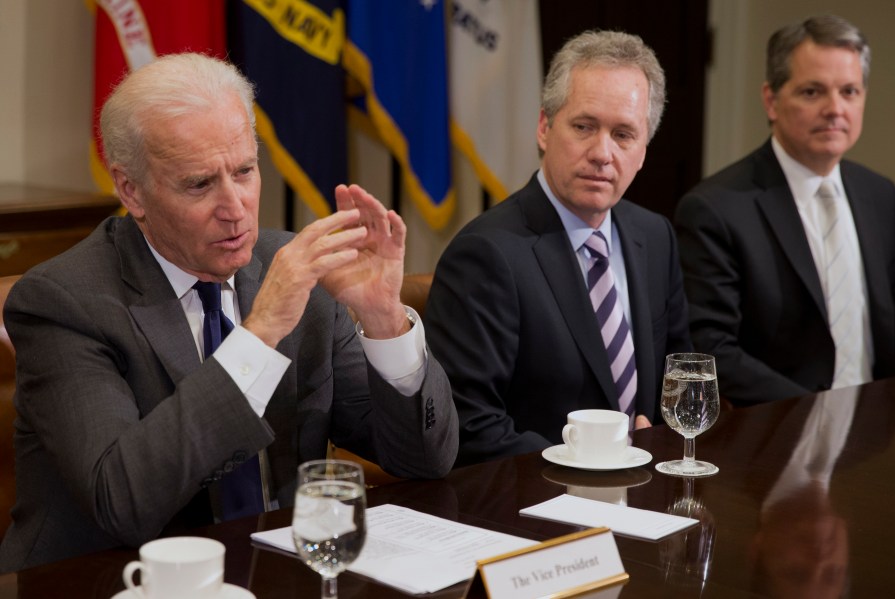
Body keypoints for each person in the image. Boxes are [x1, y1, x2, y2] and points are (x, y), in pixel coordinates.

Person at [0, 52, 458, 572]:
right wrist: (259, 334)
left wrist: (384, 322)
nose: (235, 207)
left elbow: (423, 460)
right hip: (103, 581)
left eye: (244, 171)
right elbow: (122, 504)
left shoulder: (299, 272)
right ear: (132, 190)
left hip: (276, 572)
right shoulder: (63, 301)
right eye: (200, 184)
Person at [424, 30, 692, 466]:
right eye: (585, 126)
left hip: (646, 497)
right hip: (534, 508)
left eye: (624, 134)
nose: (602, 153)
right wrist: (592, 462)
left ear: (643, 150)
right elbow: (468, 424)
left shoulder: (655, 236)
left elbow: (678, 381)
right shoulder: (486, 254)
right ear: (545, 128)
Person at [675, 14, 895, 406]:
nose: (835, 109)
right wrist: (818, 417)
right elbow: (712, 350)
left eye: (849, 91)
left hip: (876, 433)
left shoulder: (880, 195)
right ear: (771, 100)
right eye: (813, 92)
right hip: (775, 437)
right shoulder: (714, 209)